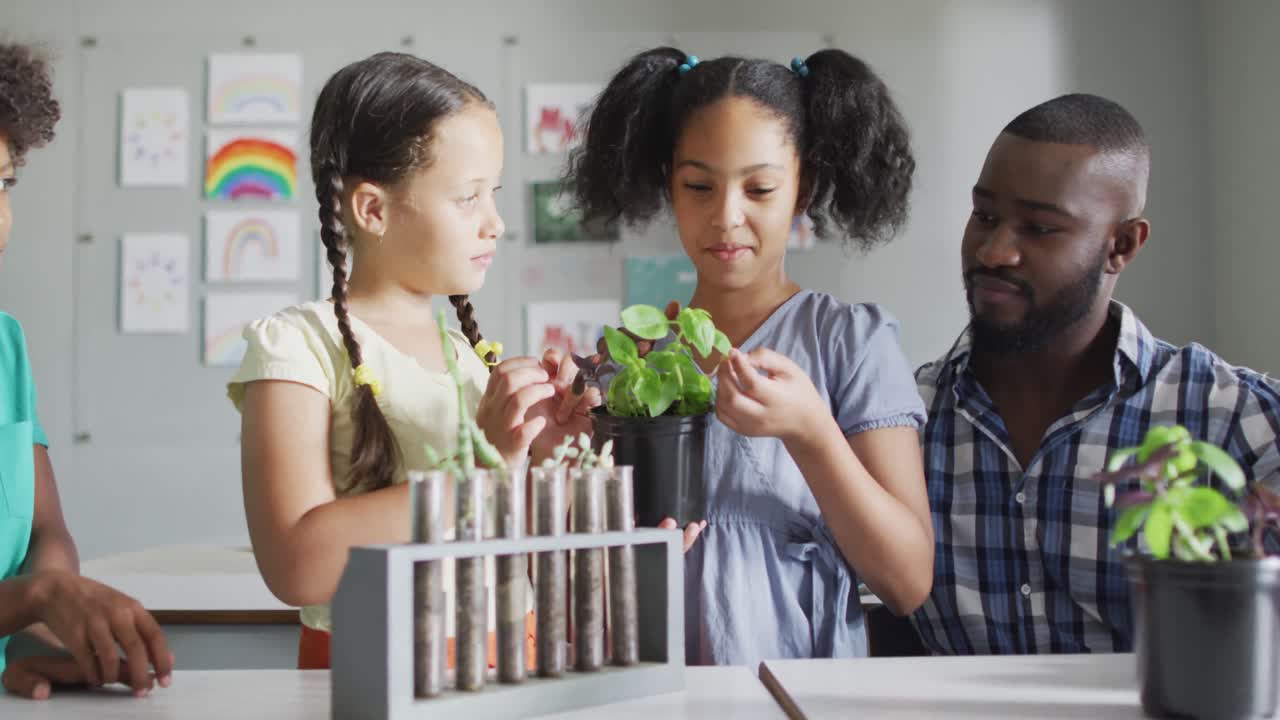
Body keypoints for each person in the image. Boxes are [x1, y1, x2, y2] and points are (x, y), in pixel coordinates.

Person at [567, 47, 934, 665]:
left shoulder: (849, 342)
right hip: (658, 689)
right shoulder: (629, 362)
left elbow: (908, 582)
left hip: (802, 692)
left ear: (802, 188)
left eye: (760, 188)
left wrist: (812, 432)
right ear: (669, 184)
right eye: (698, 187)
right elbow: (583, 584)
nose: (726, 217)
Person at [228, 52, 594, 669]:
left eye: (493, 194)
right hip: (376, 679)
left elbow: (523, 556)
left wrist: (554, 456)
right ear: (373, 210)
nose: (495, 223)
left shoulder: (469, 360)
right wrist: (480, 470)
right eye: (467, 198)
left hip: (512, 664)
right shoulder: (298, 348)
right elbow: (294, 566)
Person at [911, 93, 1280, 654]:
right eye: (984, 217)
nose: (994, 251)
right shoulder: (904, 418)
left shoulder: (1238, 420)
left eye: (1039, 228)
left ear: (1122, 245)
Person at [0, 41, 173, 699]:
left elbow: (45, 530)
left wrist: (39, 634)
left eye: (3, 183)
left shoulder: (4, 344)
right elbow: (37, 586)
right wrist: (35, 598)